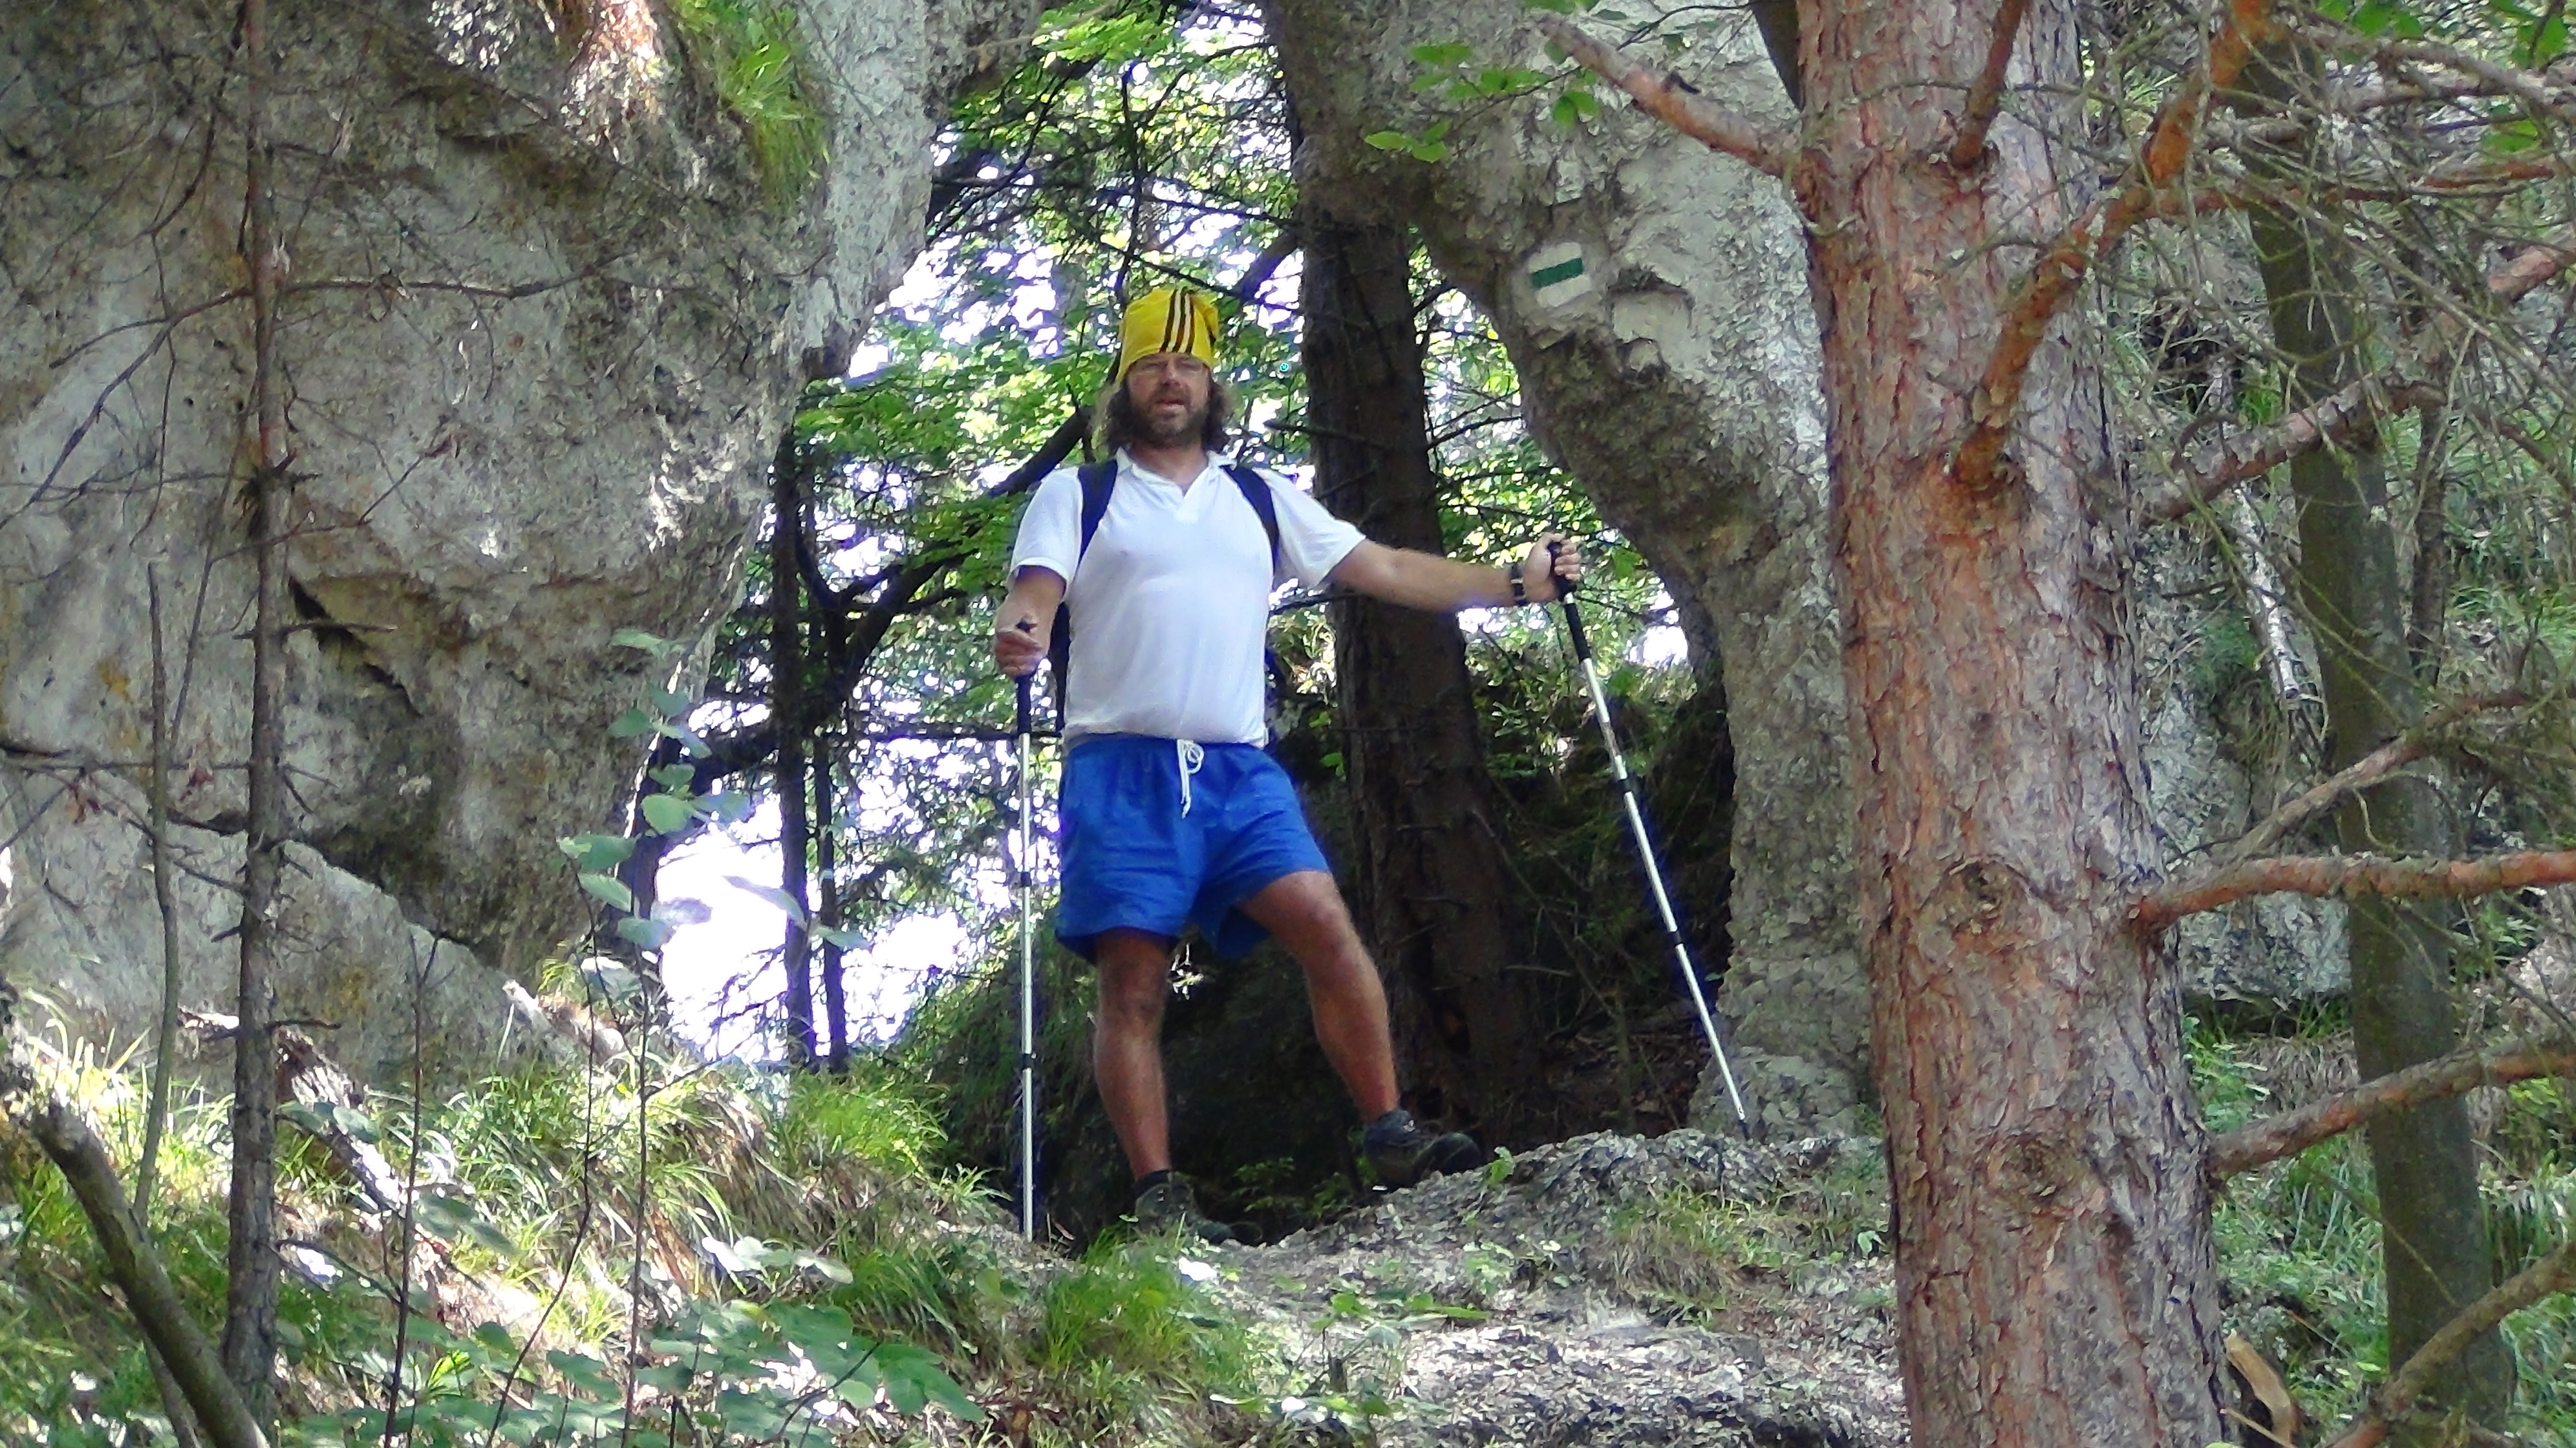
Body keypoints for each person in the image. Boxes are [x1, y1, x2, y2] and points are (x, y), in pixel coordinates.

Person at [992, 286, 1581, 1243]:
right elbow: (1036, 593)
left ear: (1211, 385)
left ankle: (1389, 1134)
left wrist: (1515, 581)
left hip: (1239, 770)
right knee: (1132, 980)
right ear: (1124, 385)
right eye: (1151, 366)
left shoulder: (1258, 498)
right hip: (1120, 766)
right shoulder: (1081, 494)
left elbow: (1388, 569)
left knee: (1325, 926)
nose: (1170, 381)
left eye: (1187, 366)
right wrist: (1022, 634)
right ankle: (1159, 1197)